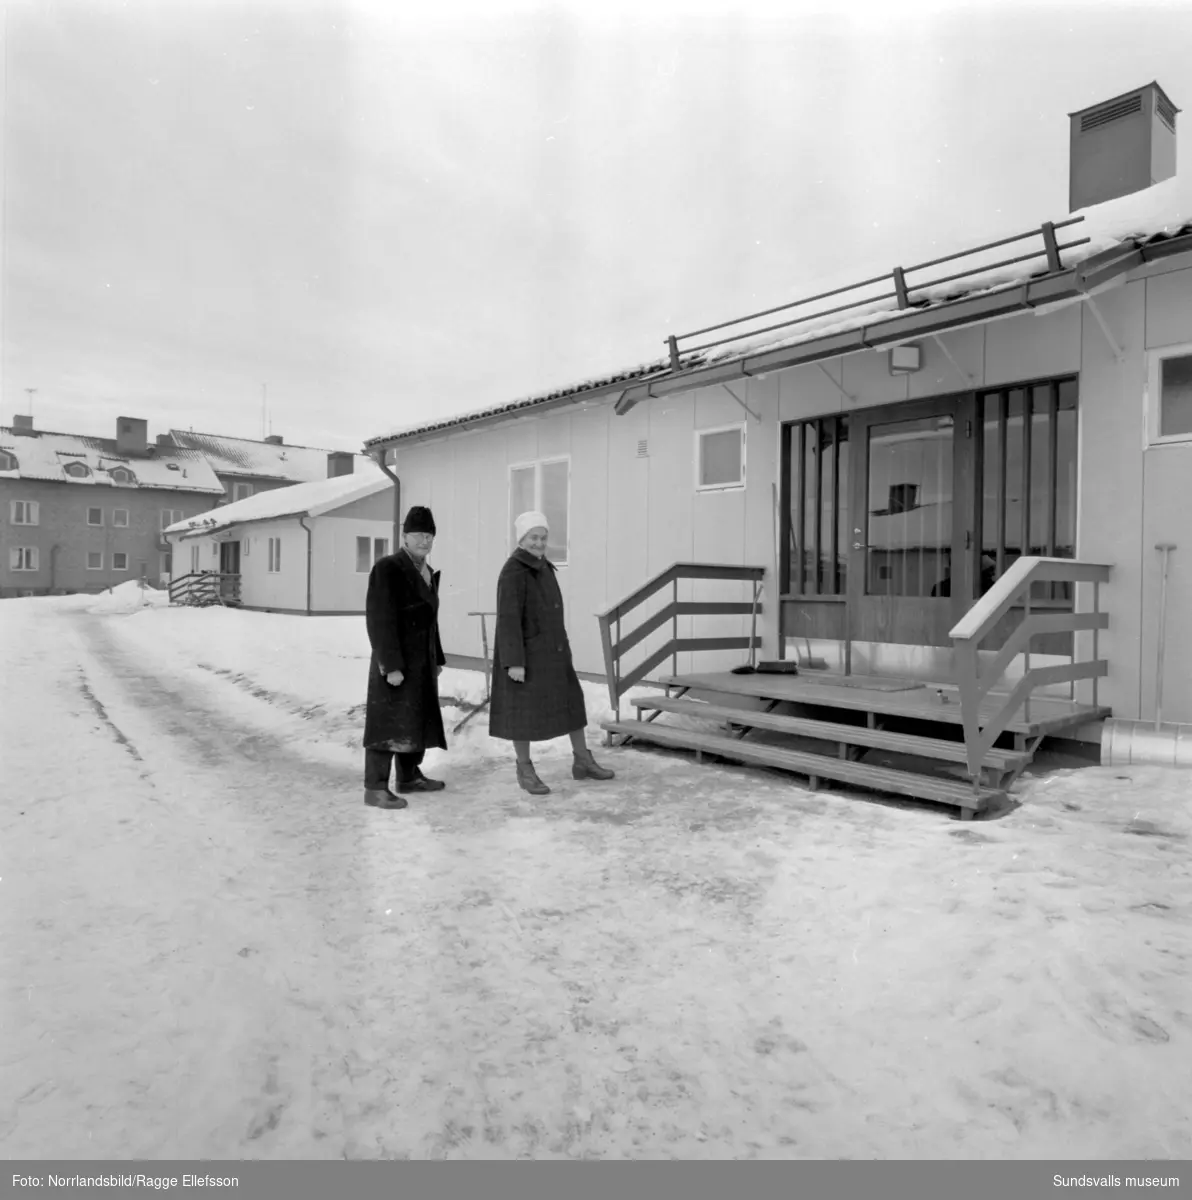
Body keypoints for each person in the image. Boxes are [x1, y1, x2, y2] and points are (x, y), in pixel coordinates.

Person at [489, 510, 615, 795]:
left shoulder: (543, 566)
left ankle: (582, 760)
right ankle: (524, 769)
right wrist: (513, 662)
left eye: (543, 537)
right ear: (521, 539)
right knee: (522, 714)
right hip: (528, 657)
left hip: (554, 653)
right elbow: (508, 619)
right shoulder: (513, 571)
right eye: (534, 537)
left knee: (571, 703)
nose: (539, 543)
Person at [362, 505, 448, 809]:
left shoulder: (425, 571)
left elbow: (430, 620)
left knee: (416, 719)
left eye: (430, 535)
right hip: (397, 662)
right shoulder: (388, 568)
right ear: (405, 536)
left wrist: (436, 657)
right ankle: (374, 788)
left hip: (422, 662)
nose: (425, 541)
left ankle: (409, 777)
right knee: (388, 723)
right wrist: (391, 666)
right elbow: (379, 620)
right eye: (419, 535)